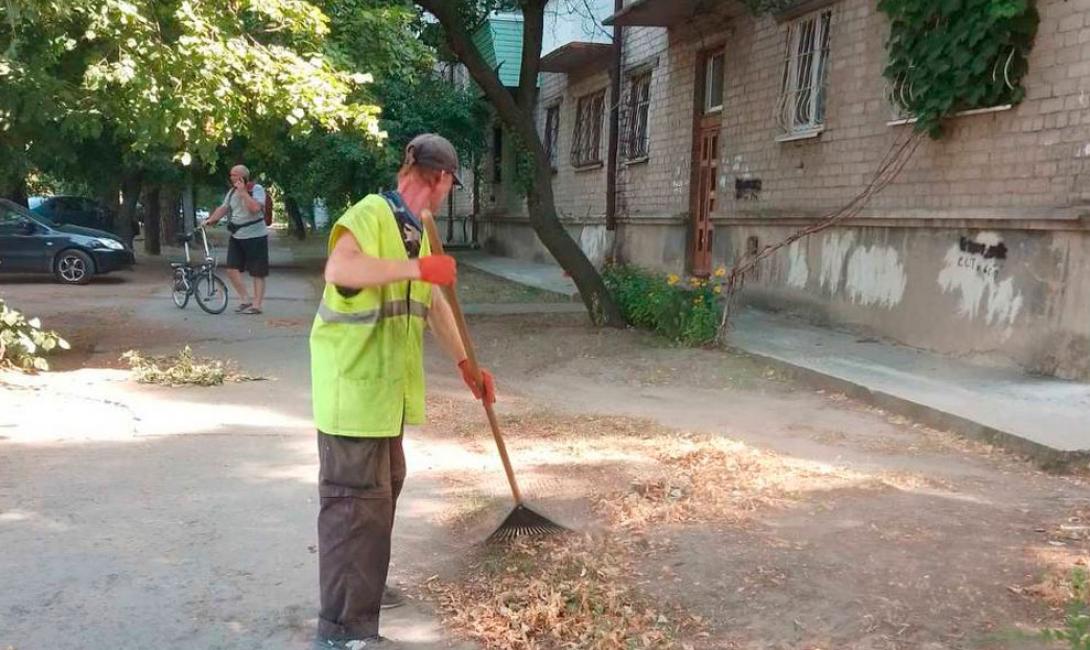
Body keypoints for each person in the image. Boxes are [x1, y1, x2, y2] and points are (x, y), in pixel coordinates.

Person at [310, 134, 497, 649]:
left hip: (383, 398)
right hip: (353, 394)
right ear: (440, 178)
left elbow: (432, 302)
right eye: (449, 185)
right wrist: (418, 268)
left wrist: (466, 365)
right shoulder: (371, 214)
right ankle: (342, 632)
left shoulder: (416, 230)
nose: (447, 193)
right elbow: (340, 269)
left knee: (379, 499)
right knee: (354, 509)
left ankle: (364, 587)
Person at [204, 164, 269, 315]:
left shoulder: (256, 189)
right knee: (231, 269)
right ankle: (245, 299)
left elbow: (255, 209)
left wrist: (243, 192)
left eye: (234, 175)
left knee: (257, 272)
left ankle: (257, 305)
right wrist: (211, 219)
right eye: (231, 175)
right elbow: (223, 208)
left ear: (242, 176)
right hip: (237, 235)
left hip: (256, 236)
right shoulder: (231, 191)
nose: (231, 177)